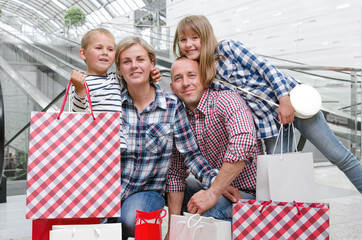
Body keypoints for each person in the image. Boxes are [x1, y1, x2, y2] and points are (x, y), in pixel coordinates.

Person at [173, 15, 362, 193]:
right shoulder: (202, 73)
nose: (188, 44)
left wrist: (284, 99)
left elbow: (266, 68)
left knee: (338, 156)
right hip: (271, 125)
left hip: (294, 104)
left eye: (195, 37)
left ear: (205, 36)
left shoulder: (228, 49)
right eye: (183, 40)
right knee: (278, 176)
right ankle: (287, 221)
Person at [72, 33, 219, 239]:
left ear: (152, 64)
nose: (134, 66)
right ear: (120, 70)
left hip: (146, 191)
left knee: (131, 220)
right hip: (106, 188)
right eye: (127, 61)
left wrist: (217, 182)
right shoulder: (110, 103)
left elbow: (191, 153)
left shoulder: (171, 105)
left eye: (140, 59)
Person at [167, 57, 262, 224]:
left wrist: (213, 193)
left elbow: (245, 142)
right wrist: (173, 228)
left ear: (204, 80)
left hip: (249, 194)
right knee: (167, 189)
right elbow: (175, 174)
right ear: (172, 88)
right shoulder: (179, 118)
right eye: (178, 78)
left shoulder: (225, 100)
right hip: (213, 186)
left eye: (191, 75)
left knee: (210, 209)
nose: (185, 83)